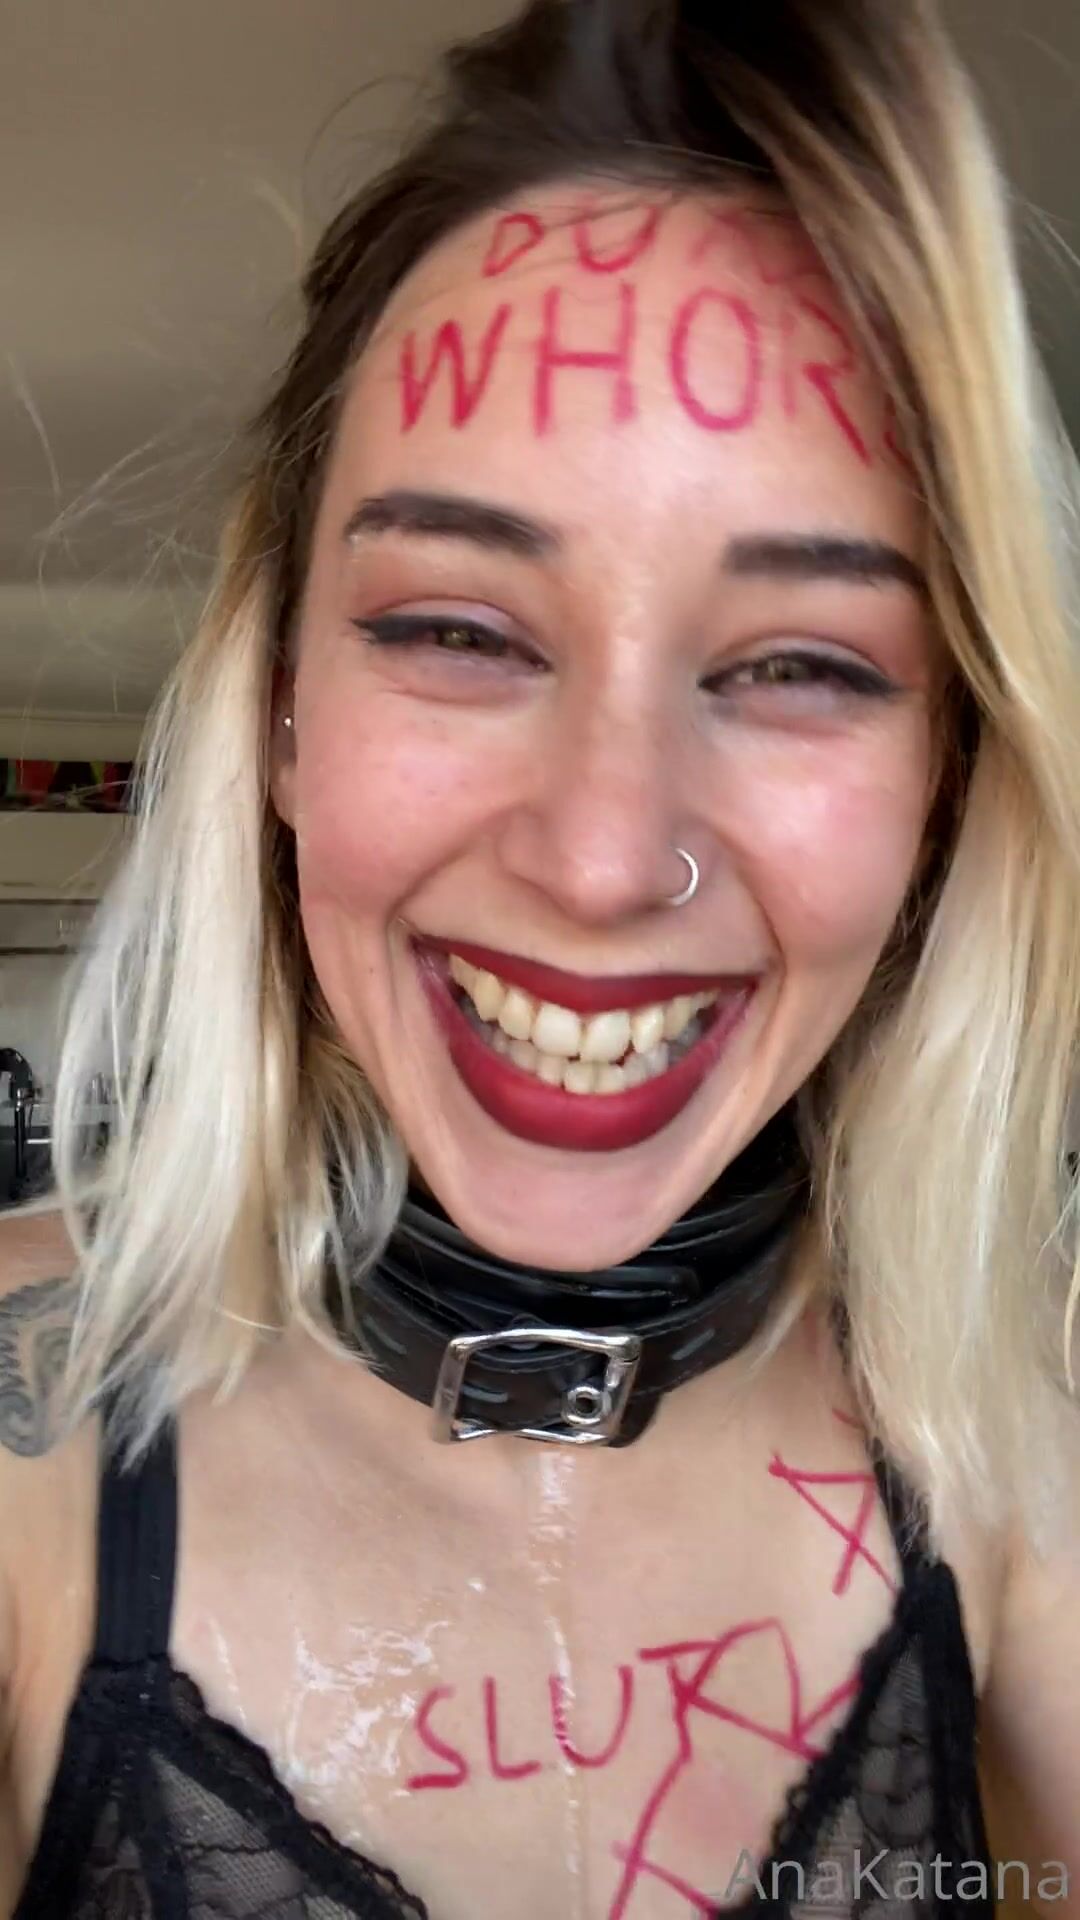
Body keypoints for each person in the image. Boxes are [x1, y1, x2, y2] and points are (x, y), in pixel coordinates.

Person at [3, 0, 1080, 1913]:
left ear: (945, 786)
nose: (599, 860)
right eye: (460, 632)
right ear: (279, 710)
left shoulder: (1013, 1424)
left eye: (803, 664)